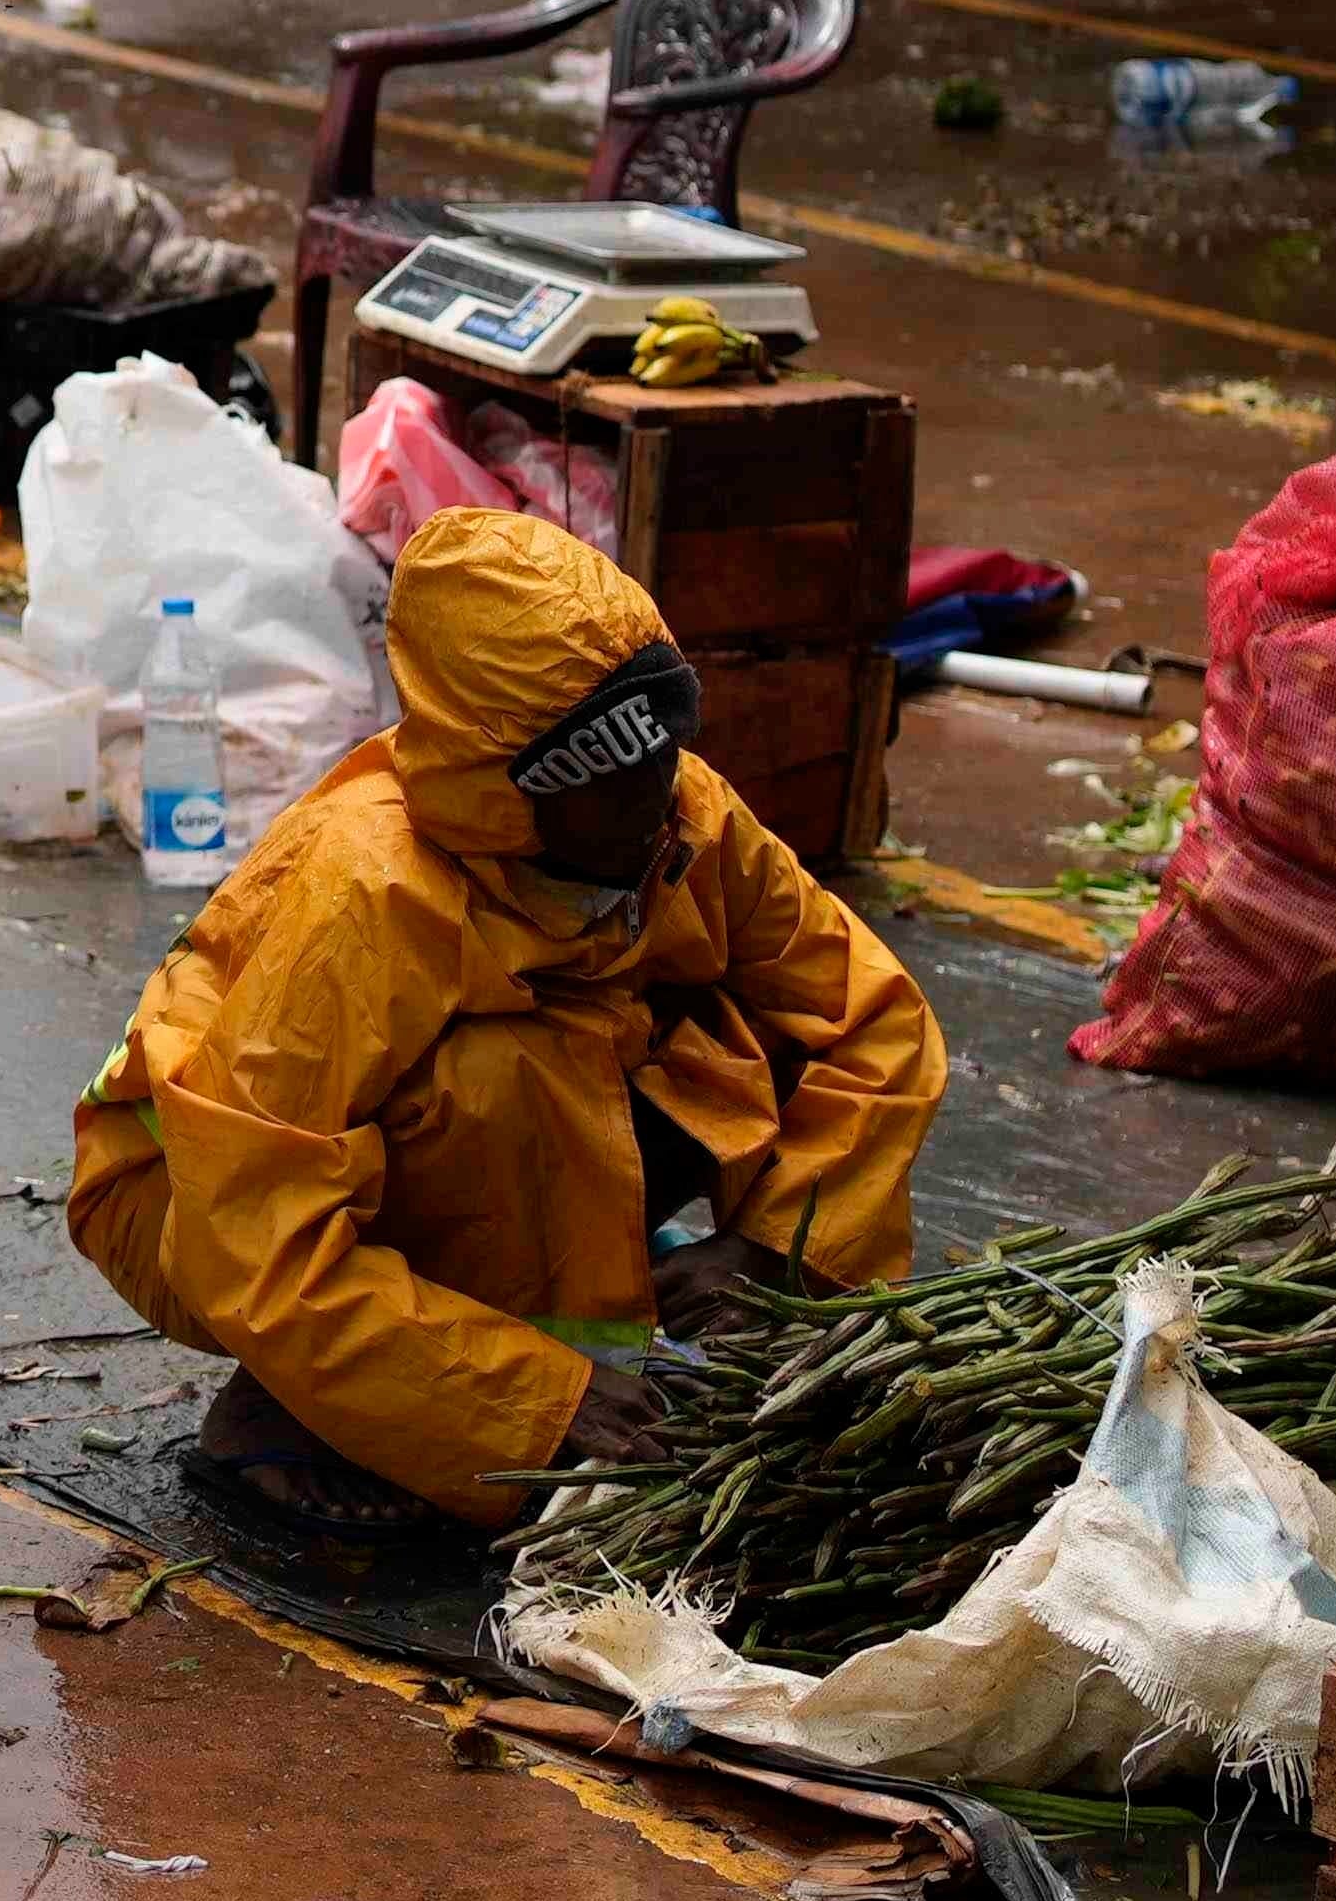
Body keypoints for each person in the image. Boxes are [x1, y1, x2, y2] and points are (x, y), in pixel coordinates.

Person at [63, 509, 945, 1546]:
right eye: (604, 781)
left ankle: (533, 1320)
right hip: (189, 1199)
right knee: (505, 1070)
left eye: (661, 757)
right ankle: (287, 1410)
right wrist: (538, 1399)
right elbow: (252, 1233)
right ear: (503, 794)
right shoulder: (362, 893)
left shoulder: (681, 813)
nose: (651, 804)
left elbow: (869, 1021)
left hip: (342, 1182)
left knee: (711, 1027)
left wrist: (772, 1246)